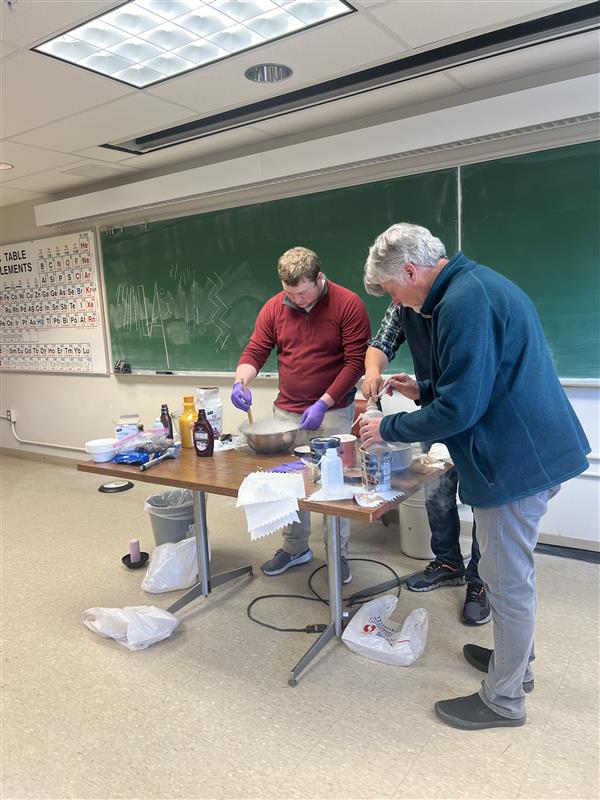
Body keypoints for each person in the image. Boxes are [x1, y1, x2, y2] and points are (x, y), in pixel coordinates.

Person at [360, 223, 590, 730]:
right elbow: (477, 381)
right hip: (521, 450)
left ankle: (504, 700)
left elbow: (462, 406)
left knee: (506, 584)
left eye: (394, 291)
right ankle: (516, 663)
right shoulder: (467, 288)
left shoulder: (465, 301)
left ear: (412, 271)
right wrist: (422, 390)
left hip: (516, 461)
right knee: (504, 575)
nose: (396, 304)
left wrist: (388, 427)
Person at [231, 246, 371, 584]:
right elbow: (256, 349)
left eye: (304, 293)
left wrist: (324, 401)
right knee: (289, 484)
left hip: (333, 411)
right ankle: (295, 548)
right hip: (287, 411)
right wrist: (241, 380)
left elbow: (355, 363)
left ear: (320, 279)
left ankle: (337, 555)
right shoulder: (275, 307)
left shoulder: (348, 304)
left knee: (333, 486)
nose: (298, 300)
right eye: (290, 293)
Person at [363, 305, 490, 625]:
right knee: (437, 488)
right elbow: (382, 342)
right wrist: (373, 372)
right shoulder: (402, 303)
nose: (393, 297)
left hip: (475, 415)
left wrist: (392, 425)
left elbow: (469, 378)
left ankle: (481, 579)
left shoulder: (459, 305)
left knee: (483, 502)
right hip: (434, 410)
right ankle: (448, 563)